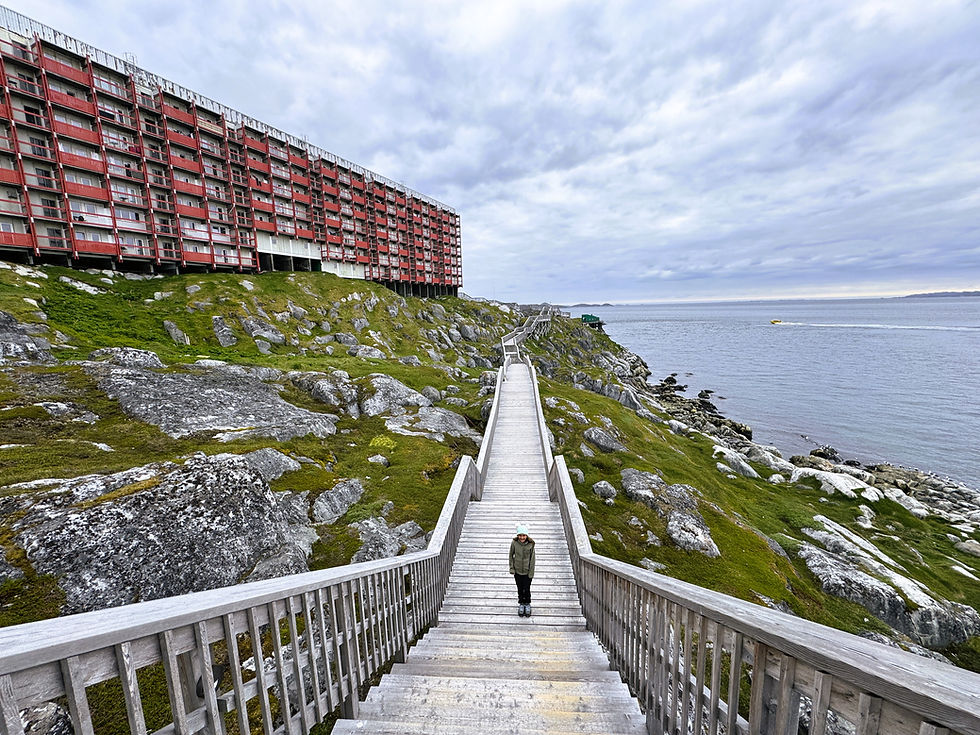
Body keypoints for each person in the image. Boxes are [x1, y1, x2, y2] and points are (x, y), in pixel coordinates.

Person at [509, 523, 535, 617]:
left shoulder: (531, 544)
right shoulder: (514, 543)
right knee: (520, 588)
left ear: (527, 535)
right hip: (517, 571)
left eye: (524, 535)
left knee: (526, 588)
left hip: (527, 572)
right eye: (520, 535)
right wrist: (512, 568)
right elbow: (511, 556)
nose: (522, 537)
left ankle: (527, 603)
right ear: (517, 535)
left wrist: (531, 572)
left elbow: (532, 559)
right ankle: (521, 603)